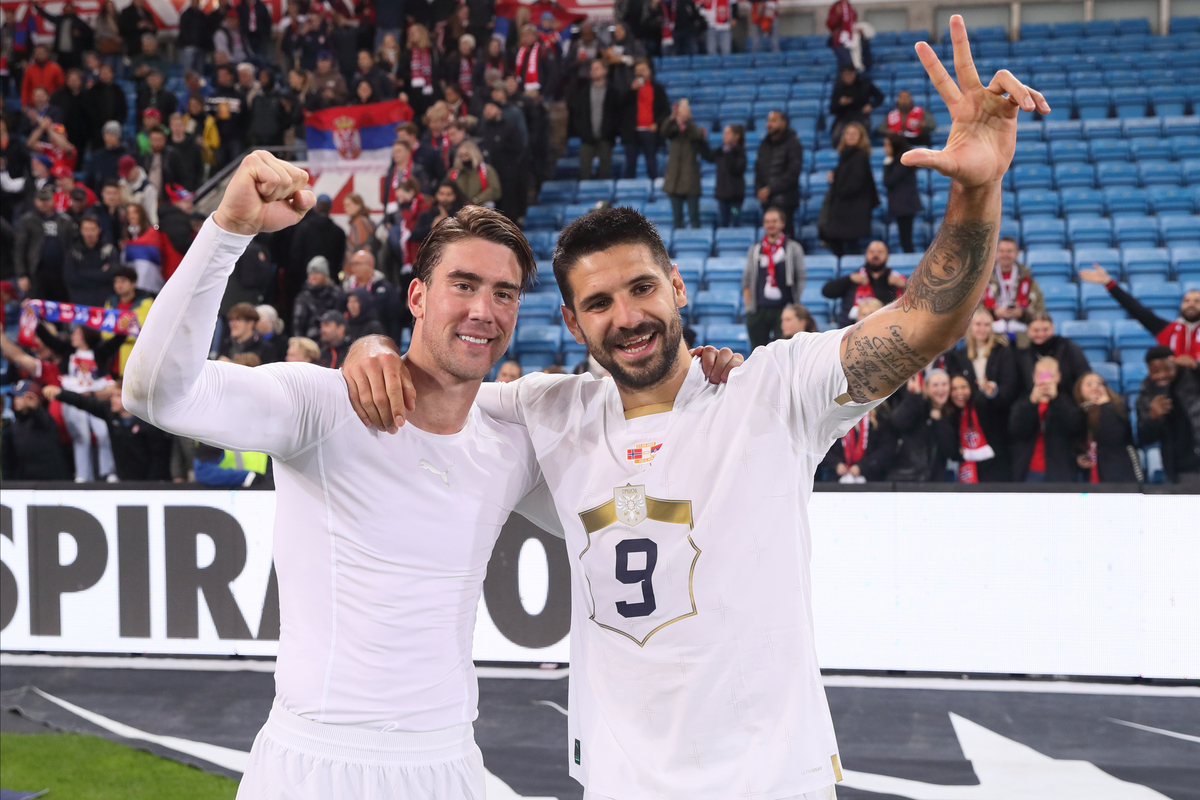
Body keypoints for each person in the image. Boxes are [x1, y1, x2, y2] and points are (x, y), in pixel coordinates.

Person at [345, 22, 1051, 793]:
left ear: (677, 286)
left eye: (643, 288)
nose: (628, 316)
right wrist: (371, 348)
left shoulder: (772, 389)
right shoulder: (546, 411)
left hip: (768, 781)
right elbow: (436, 383)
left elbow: (924, 320)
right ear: (575, 324)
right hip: (617, 783)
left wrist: (977, 190)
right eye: (600, 303)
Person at [120, 151, 564, 798]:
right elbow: (156, 394)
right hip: (315, 768)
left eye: (504, 293)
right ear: (416, 295)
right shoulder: (322, 405)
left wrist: (703, 379)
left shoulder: (509, 437)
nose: (484, 310)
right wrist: (227, 231)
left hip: (453, 765)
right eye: (463, 284)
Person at [1079, 266, 1200, 363]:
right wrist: (1108, 283)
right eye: (1187, 301)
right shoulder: (1166, 329)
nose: (1191, 304)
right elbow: (1135, 308)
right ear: (1181, 305)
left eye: (1197, 301)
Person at [954, 307, 1018, 481]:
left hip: (997, 424)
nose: (982, 328)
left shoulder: (1003, 352)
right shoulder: (959, 356)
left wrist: (992, 391)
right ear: (970, 327)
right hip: (969, 425)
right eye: (978, 324)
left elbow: (1010, 386)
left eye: (986, 324)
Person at [1009, 355, 1084, 482]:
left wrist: (1056, 399)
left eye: (1050, 376)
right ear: (1033, 377)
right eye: (1041, 375)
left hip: (1060, 471)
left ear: (1059, 377)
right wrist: (1031, 402)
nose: (1046, 380)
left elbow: (1074, 427)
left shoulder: (1068, 401)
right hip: (1028, 469)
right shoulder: (1022, 401)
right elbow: (1016, 430)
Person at [742, 207, 805, 348]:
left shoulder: (793, 248)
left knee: (784, 352)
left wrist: (796, 300)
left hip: (784, 308)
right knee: (757, 353)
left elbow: (800, 276)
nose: (770, 225)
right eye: (767, 221)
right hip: (758, 311)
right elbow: (746, 279)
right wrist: (748, 304)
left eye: (774, 221)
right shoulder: (755, 250)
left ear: (782, 224)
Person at [1137, 346, 1200, 486]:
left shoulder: (1193, 375)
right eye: (1156, 371)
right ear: (1148, 369)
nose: (1162, 375)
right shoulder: (1147, 392)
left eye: (1166, 369)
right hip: (1181, 468)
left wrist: (1197, 368)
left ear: (1174, 362)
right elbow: (1144, 438)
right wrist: (1153, 418)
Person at [821, 121, 878, 257]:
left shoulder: (860, 156)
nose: (851, 136)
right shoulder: (845, 155)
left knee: (849, 243)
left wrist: (837, 186)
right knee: (838, 240)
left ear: (861, 137)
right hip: (845, 207)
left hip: (853, 208)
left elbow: (856, 181)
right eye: (848, 133)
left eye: (854, 134)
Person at [1074, 372, 1141, 483]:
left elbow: (1114, 437)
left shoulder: (1118, 408)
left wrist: (1105, 407)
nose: (1095, 387)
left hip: (1120, 470)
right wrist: (1079, 457)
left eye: (1100, 384)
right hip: (1089, 475)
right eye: (1089, 384)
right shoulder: (1076, 413)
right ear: (1079, 390)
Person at [14, 186, 78, 301]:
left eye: (47, 200)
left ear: (53, 200)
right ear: (35, 201)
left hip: (60, 273)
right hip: (36, 272)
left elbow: (72, 246)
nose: (44, 203)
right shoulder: (27, 220)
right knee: (36, 308)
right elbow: (19, 249)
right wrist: (22, 274)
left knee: (60, 309)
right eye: (41, 200)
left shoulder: (65, 221)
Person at [820, 239, 904, 327]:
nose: (875, 255)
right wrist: (848, 279)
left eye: (880, 252)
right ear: (866, 255)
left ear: (887, 257)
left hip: (885, 328)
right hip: (850, 330)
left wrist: (905, 286)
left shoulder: (896, 280)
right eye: (871, 252)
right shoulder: (854, 278)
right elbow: (826, 291)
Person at [1, 379, 71, 481]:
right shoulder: (12, 427)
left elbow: (44, 422)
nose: (16, 400)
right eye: (14, 397)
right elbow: (8, 462)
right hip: (26, 483)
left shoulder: (45, 420)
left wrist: (36, 408)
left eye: (20, 397)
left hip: (53, 482)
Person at [1014, 311, 1089, 397]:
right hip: (1033, 403)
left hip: (1067, 402)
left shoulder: (1069, 348)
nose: (1041, 334)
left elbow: (1084, 377)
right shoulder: (1023, 354)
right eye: (1036, 330)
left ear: (1053, 328)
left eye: (1046, 330)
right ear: (1028, 330)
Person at [983, 236, 1044, 344]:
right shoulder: (983, 279)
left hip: (1022, 335)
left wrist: (1022, 314)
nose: (1005, 255)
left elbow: (1039, 309)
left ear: (1016, 253)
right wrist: (993, 312)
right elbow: (973, 309)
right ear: (995, 253)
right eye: (1001, 251)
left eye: (1009, 251)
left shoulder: (1029, 280)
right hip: (990, 335)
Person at [754, 110, 804, 238]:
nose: (769, 124)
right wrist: (759, 190)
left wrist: (770, 189)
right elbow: (758, 170)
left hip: (786, 200)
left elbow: (793, 173)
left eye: (774, 120)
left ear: (783, 123)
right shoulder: (764, 145)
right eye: (768, 120)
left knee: (785, 238)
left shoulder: (793, 143)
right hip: (767, 201)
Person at [660, 98, 708, 229]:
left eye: (684, 113)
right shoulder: (673, 131)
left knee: (694, 218)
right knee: (677, 220)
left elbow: (699, 137)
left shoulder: (694, 130)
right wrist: (672, 118)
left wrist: (687, 122)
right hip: (674, 180)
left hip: (691, 180)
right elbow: (663, 132)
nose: (681, 116)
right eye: (680, 113)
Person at [570, 59, 622, 181]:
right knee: (584, 171)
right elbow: (577, 114)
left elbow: (618, 115)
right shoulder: (583, 92)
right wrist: (582, 131)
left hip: (606, 137)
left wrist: (611, 130)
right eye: (592, 69)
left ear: (605, 71)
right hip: (587, 137)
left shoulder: (613, 92)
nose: (593, 71)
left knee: (605, 171)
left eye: (597, 68)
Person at [621, 60, 669, 182]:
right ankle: (628, 194)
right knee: (630, 165)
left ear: (649, 71)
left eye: (643, 70)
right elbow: (619, 106)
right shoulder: (628, 87)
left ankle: (653, 189)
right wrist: (631, 90)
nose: (640, 73)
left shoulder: (657, 88)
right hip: (632, 131)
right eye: (638, 70)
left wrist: (657, 123)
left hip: (650, 131)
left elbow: (665, 110)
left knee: (651, 164)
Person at [103, 265, 154, 377]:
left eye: (123, 281)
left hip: (134, 359)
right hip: (111, 359)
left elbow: (139, 332)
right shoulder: (111, 302)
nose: (118, 285)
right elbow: (105, 333)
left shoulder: (145, 303)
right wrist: (123, 331)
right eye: (116, 281)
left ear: (133, 283)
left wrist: (116, 332)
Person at [63, 212, 121, 306]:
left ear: (99, 230)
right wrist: (100, 272)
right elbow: (71, 278)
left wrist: (82, 272)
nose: (89, 233)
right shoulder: (73, 251)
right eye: (86, 229)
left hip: (104, 301)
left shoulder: (109, 249)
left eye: (92, 229)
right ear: (81, 230)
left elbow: (112, 274)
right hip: (79, 302)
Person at [882, 135, 922, 253]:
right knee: (904, 239)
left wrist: (887, 164)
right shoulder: (898, 161)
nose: (885, 149)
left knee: (906, 240)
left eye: (887, 145)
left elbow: (888, 181)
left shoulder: (902, 163)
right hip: (903, 206)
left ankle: (914, 267)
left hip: (905, 206)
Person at [703, 124, 746, 228]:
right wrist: (703, 141)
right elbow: (708, 156)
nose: (724, 136)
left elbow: (736, 169)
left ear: (736, 136)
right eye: (724, 133)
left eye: (728, 133)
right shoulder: (721, 151)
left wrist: (729, 152)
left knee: (736, 222)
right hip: (722, 196)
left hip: (735, 197)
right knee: (724, 224)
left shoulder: (740, 152)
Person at [828, 65, 883, 148]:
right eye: (845, 74)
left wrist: (871, 105)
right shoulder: (838, 87)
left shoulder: (864, 84)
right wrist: (840, 103)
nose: (848, 77)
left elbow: (880, 96)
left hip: (860, 115)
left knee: (861, 134)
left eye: (850, 74)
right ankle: (841, 154)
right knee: (836, 136)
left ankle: (861, 151)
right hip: (843, 117)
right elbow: (832, 109)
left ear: (854, 73)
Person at [293, 255, 344, 340]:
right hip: (309, 340)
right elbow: (297, 324)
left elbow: (340, 318)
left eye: (317, 273)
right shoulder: (303, 297)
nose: (313, 276)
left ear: (325, 275)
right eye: (311, 273)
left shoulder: (336, 293)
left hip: (333, 338)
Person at [449, 141, 501, 208]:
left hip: (482, 207)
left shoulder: (487, 170)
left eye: (466, 155)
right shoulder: (454, 173)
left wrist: (476, 200)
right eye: (461, 156)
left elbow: (495, 190)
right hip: (459, 207)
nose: (464, 158)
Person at [342, 193, 377, 260]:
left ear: (358, 206)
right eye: (345, 205)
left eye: (348, 205)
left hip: (360, 261)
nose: (345, 208)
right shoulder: (363, 220)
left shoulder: (359, 222)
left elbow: (361, 245)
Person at [826, 0, 857, 66]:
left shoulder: (850, 7)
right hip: (839, 40)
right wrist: (837, 15)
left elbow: (853, 21)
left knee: (851, 63)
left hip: (851, 39)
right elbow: (830, 23)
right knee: (846, 63)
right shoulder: (837, 6)